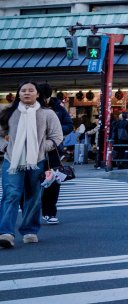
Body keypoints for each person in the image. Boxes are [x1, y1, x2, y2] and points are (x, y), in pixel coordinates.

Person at [0, 81, 63, 249]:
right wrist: (5, 146)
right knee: (11, 195)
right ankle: (6, 233)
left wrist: (41, 147)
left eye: (31, 90)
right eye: (23, 90)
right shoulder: (8, 112)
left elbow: (57, 136)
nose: (27, 93)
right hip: (11, 160)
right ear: (18, 94)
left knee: (33, 198)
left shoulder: (47, 114)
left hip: (38, 161)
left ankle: (29, 231)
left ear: (37, 94)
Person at [37, 84, 74, 226]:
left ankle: (49, 212)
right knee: (31, 181)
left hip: (53, 150)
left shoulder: (58, 108)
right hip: (33, 150)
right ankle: (30, 210)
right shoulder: (29, 108)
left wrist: (54, 130)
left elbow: (69, 126)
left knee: (52, 181)